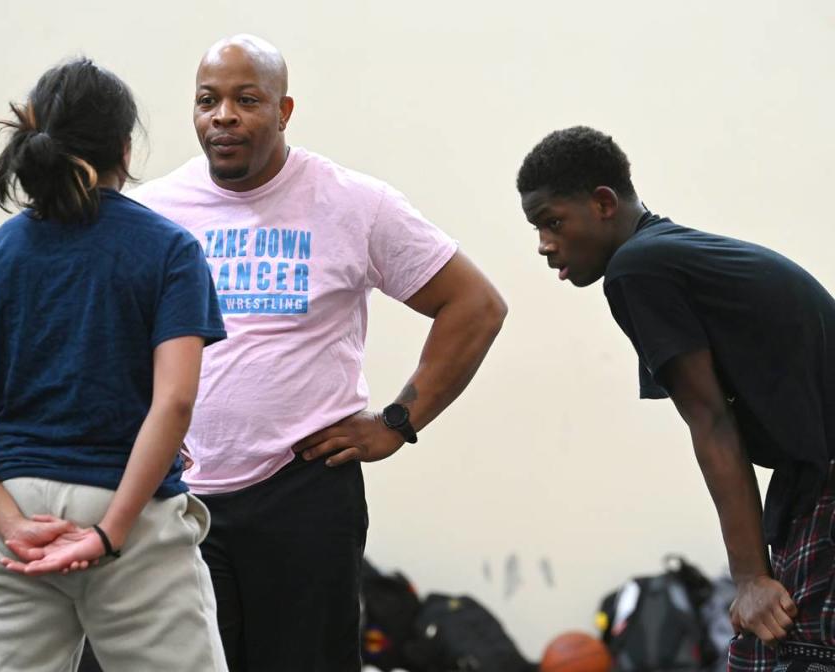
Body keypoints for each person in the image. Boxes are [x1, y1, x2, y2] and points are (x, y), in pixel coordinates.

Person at [129, 34, 508, 671]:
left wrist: (398, 422)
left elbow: (475, 306)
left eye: (247, 100)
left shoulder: (353, 202)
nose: (223, 115)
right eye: (207, 100)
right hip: (179, 495)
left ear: (284, 110)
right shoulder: (155, 212)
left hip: (303, 492)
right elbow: (115, 335)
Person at [0, 58, 229, 672]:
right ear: (124, 147)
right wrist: (109, 532)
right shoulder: (168, 250)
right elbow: (174, 403)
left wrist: (9, 523)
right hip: (128, 515)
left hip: (18, 517)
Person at [517, 126, 835, 672]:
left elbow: (711, 422)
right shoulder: (670, 253)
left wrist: (750, 578)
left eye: (552, 222)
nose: (544, 244)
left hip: (823, 476)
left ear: (602, 203)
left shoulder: (638, 269)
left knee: (782, 653)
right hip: (809, 475)